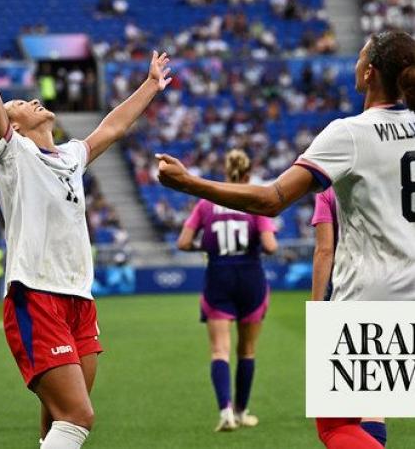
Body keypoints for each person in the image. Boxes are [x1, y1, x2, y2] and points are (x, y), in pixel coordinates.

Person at [156, 30, 415, 449]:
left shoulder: (350, 133)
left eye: (360, 54)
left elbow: (272, 198)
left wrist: (190, 183)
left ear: (368, 73)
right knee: (371, 406)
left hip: (371, 296)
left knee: (336, 427)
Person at [0, 0, 171, 447]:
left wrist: (149, 86)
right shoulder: (12, 154)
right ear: (15, 127)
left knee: (57, 417)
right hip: (37, 292)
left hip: (78, 298)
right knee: (78, 416)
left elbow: (112, 128)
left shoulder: (69, 155)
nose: (31, 101)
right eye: (20, 105)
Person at [177, 149, 277, 432]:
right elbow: (270, 246)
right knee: (246, 350)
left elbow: (183, 242)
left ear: (226, 172)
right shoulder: (254, 200)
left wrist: (207, 247)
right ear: (247, 174)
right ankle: (243, 411)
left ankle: (225, 411)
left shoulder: (207, 204)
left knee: (219, 350)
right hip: (251, 278)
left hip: (218, 275)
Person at [310, 187, 388, 448]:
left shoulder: (328, 193)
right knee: (374, 397)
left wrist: (317, 305)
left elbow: (324, 250)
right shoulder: (382, 179)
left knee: (334, 424)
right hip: (392, 287)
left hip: (348, 293)